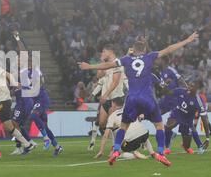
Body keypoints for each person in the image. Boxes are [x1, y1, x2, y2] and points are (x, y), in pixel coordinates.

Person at [78, 31, 199, 166]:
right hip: (147, 98)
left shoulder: (126, 59)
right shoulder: (149, 57)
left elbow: (108, 65)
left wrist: (90, 66)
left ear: (133, 50)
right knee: (159, 126)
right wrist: (187, 40)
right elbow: (169, 49)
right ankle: (160, 153)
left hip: (131, 99)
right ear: (145, 50)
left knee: (123, 127)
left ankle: (116, 151)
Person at [164, 79, 210, 155]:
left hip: (187, 121)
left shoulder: (199, 101)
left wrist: (207, 138)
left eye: (192, 86)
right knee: (168, 126)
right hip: (176, 114)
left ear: (196, 89)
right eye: (189, 85)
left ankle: (188, 146)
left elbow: (204, 119)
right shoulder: (181, 91)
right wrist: (165, 85)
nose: (189, 87)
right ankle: (167, 147)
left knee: (186, 145)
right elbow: (168, 92)